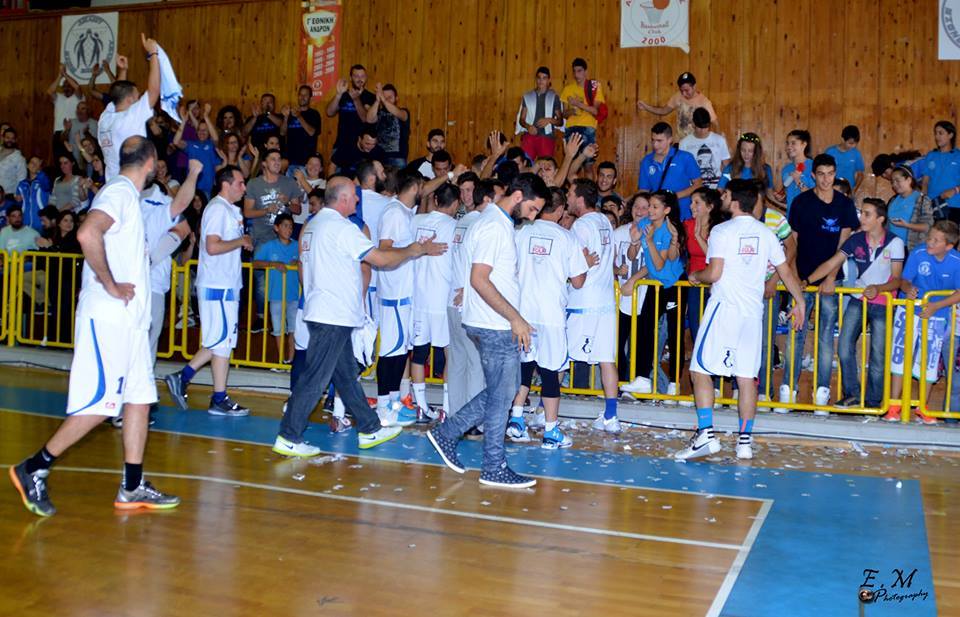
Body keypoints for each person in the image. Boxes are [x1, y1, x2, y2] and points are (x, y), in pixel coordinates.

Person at [8, 136, 180, 517]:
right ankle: (35, 466)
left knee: (139, 398)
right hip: (109, 316)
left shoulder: (128, 197)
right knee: (103, 404)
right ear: (151, 161)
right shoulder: (118, 192)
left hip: (131, 322)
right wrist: (110, 284)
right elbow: (87, 233)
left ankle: (132, 485)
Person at [273, 177, 447, 456]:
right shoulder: (341, 227)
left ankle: (369, 428)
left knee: (346, 376)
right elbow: (380, 258)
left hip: (326, 311)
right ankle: (289, 435)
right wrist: (417, 249)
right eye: (354, 195)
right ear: (342, 199)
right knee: (316, 378)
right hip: (332, 315)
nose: (357, 199)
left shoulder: (313, 224)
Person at [426, 173, 549, 488]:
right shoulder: (494, 226)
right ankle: (492, 465)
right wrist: (515, 318)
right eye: (533, 209)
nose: (532, 217)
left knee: (503, 391)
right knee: (501, 395)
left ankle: (447, 433)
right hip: (493, 323)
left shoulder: (494, 222)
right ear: (518, 197)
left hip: (490, 320)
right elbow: (479, 279)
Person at [675, 179, 805, 461]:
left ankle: (706, 435)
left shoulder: (722, 230)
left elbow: (714, 273)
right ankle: (744, 443)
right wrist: (801, 302)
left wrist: (696, 276)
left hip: (724, 310)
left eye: (725, 194)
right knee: (746, 378)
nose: (721, 197)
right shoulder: (766, 233)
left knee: (699, 370)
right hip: (752, 315)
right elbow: (785, 271)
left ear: (734, 201)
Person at [164, 165, 252, 416]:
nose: (244, 187)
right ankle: (206, 390)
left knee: (221, 342)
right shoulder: (216, 209)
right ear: (226, 184)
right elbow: (212, 247)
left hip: (227, 284)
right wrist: (241, 241)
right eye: (240, 183)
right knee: (220, 342)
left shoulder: (231, 210)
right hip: (217, 285)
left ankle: (198, 386)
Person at [776, 154, 859, 413]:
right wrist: (793, 279)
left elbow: (844, 245)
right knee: (795, 334)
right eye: (821, 174)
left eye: (830, 174)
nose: (826, 179)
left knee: (825, 337)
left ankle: (822, 394)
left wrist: (831, 278)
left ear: (835, 174)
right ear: (813, 175)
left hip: (831, 281)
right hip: (801, 279)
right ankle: (788, 391)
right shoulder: (801, 202)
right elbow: (792, 243)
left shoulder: (844, 204)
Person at [804, 198, 903, 409]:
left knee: (878, 354)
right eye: (862, 213)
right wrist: (807, 280)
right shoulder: (855, 239)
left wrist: (879, 289)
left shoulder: (895, 242)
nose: (861, 218)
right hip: (858, 299)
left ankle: (874, 402)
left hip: (883, 302)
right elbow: (832, 263)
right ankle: (852, 394)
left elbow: (897, 280)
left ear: (880, 219)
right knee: (844, 347)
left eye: (867, 214)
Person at [510, 187, 589, 448]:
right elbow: (578, 282)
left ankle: (516, 420)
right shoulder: (566, 237)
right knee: (550, 371)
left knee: (524, 366)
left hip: (522, 312)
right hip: (551, 313)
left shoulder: (521, 232)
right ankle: (551, 431)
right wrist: (585, 264)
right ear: (560, 210)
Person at [884, 221, 960, 424]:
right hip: (908, 311)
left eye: (936, 240)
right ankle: (893, 406)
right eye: (929, 237)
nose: (929, 242)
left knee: (929, 362)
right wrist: (908, 289)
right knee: (900, 355)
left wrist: (937, 305)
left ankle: (922, 407)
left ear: (949, 246)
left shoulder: (957, 262)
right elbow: (904, 280)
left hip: (937, 315)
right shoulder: (918, 253)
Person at [564, 178, 620, 431]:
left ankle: (544, 411)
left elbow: (577, 273)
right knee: (606, 359)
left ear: (579, 198)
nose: (567, 198)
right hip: (606, 302)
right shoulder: (605, 222)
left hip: (583, 301)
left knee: (560, 356)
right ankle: (611, 416)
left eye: (570, 193)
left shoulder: (580, 226)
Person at [623, 190, 686, 398]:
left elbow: (659, 264)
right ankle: (642, 378)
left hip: (674, 284)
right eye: (649, 205)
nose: (649, 210)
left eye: (654, 207)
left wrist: (649, 241)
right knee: (644, 327)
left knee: (675, 332)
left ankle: (675, 384)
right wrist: (634, 242)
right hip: (655, 282)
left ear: (666, 210)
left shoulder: (669, 230)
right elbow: (632, 255)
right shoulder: (644, 224)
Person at [446, 178, 500, 418]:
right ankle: (472, 421)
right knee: (476, 362)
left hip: (453, 299)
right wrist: (468, 290)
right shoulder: (482, 224)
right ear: (488, 199)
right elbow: (479, 267)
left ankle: (456, 416)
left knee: (458, 361)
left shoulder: (462, 222)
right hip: (469, 300)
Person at [374, 170, 423, 426]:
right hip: (393, 294)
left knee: (400, 352)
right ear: (414, 187)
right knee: (389, 353)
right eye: (422, 187)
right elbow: (384, 249)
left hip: (404, 293)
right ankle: (383, 405)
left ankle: (393, 402)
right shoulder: (394, 213)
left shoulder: (406, 212)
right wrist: (413, 250)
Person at [409, 183, 459, 420]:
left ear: (436, 200)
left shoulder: (416, 221)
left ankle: (420, 405)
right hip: (442, 300)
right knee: (449, 354)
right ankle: (446, 409)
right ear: (456, 204)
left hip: (418, 299)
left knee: (419, 354)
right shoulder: (455, 226)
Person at [141, 160, 200, 364]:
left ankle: (141, 380)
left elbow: (183, 229)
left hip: (150, 280)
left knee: (147, 335)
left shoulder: (163, 201)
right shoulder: (128, 197)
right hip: (136, 279)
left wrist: (151, 260)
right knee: (141, 336)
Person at [98, 34, 161, 181]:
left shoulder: (105, 118)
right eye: (137, 97)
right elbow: (154, 91)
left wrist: (123, 70)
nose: (139, 99)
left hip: (111, 184)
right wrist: (153, 54)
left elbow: (118, 93)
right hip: (129, 184)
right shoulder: (131, 116)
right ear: (130, 100)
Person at [615, 192, 651, 388]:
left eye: (645, 207)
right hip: (620, 295)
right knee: (618, 341)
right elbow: (609, 263)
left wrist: (633, 280)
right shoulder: (619, 232)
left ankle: (638, 382)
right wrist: (616, 271)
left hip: (645, 295)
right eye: (636, 206)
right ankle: (619, 382)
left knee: (641, 342)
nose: (639, 210)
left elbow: (655, 264)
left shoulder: (655, 232)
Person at [252, 213, 299, 364]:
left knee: (293, 329)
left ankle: (291, 360)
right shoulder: (269, 246)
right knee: (278, 329)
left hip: (293, 294)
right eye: (285, 226)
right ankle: (280, 360)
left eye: (291, 226)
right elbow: (255, 263)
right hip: (276, 294)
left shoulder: (297, 246)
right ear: (276, 228)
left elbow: (307, 261)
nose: (289, 229)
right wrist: (273, 264)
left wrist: (298, 263)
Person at [637, 122, 702, 220]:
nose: (655, 145)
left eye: (659, 141)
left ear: (670, 140)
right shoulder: (647, 161)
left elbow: (698, 184)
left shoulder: (685, 157)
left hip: (683, 213)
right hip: (658, 216)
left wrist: (674, 197)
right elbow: (644, 190)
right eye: (653, 140)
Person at [637, 72, 718, 138]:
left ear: (694, 86)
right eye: (681, 91)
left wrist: (719, 143)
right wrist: (646, 107)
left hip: (697, 143)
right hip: (680, 142)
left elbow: (715, 124)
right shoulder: (677, 96)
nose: (684, 94)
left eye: (687, 90)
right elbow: (663, 110)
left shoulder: (704, 102)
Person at [912, 120, 960, 225]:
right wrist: (923, 201)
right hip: (934, 204)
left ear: (950, 135)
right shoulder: (931, 155)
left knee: (952, 234)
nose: (937, 136)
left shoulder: (958, 156)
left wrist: (955, 190)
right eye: (935, 133)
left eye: (940, 133)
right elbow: (925, 182)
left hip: (954, 204)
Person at [172, 103, 220, 197]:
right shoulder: (191, 144)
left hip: (208, 189)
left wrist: (206, 116)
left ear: (209, 132)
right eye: (199, 130)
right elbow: (176, 142)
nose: (202, 132)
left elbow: (216, 138)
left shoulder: (211, 144)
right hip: (192, 188)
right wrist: (184, 121)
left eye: (205, 130)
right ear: (196, 132)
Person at [326, 64, 376, 153]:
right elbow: (329, 112)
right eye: (356, 76)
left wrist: (356, 100)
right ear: (350, 78)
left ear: (366, 78)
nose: (360, 79)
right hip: (341, 145)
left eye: (362, 76)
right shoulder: (344, 94)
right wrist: (338, 94)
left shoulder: (371, 97)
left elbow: (366, 119)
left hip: (361, 148)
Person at [517, 66, 563, 161]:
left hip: (546, 137)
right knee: (525, 164)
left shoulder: (554, 97)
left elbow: (560, 121)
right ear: (536, 79)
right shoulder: (527, 96)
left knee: (545, 166)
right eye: (539, 78)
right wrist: (528, 127)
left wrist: (549, 120)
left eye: (544, 78)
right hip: (529, 136)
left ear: (549, 80)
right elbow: (521, 119)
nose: (541, 81)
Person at [560, 58, 604, 158]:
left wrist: (578, 104)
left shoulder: (594, 87)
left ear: (586, 72)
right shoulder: (568, 89)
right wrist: (572, 111)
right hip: (571, 128)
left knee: (587, 163)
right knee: (569, 162)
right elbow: (564, 114)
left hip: (588, 127)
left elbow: (595, 111)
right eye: (574, 71)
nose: (576, 74)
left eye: (579, 71)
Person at [718, 132, 777, 203]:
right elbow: (719, 192)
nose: (746, 154)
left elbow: (770, 195)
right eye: (743, 150)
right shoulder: (730, 168)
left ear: (756, 152)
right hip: (736, 209)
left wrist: (784, 205)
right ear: (739, 150)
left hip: (757, 209)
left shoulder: (765, 169)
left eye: (750, 151)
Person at [679, 108, 730, 189]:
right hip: (694, 190)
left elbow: (727, 166)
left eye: (705, 127)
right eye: (700, 127)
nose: (703, 131)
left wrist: (722, 187)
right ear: (693, 124)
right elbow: (682, 169)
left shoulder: (720, 140)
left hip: (716, 190)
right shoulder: (684, 143)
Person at [887, 165, 935, 252]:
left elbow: (927, 227)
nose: (894, 184)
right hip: (891, 246)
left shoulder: (922, 199)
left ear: (909, 180)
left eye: (897, 180)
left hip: (911, 248)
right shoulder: (892, 200)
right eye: (892, 182)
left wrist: (907, 225)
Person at [366, 83, 410, 168]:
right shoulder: (378, 112)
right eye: (385, 97)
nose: (387, 100)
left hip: (397, 158)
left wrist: (383, 99)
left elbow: (398, 113)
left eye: (390, 97)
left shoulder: (403, 111)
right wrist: (377, 101)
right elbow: (369, 119)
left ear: (397, 98)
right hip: (379, 158)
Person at [281, 85, 322, 173]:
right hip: (289, 160)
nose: (302, 97)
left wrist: (299, 117)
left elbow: (311, 132)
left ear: (310, 98)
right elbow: (282, 133)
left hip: (306, 162)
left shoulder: (314, 114)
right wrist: (285, 118)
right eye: (300, 94)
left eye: (305, 95)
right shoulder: (290, 113)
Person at [776, 129, 814, 216]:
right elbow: (789, 195)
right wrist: (782, 198)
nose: (789, 147)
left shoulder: (814, 167)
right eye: (787, 143)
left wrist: (798, 181)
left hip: (809, 217)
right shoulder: (786, 169)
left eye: (793, 143)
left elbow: (815, 196)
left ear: (804, 144)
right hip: (791, 217)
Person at [825, 125, 866, 192]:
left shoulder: (856, 154)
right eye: (850, 143)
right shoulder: (830, 152)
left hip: (848, 191)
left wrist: (854, 190)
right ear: (843, 139)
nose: (853, 146)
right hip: (831, 190)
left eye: (855, 143)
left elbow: (860, 174)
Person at [0, 126, 27, 198]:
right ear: (3, 138)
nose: (10, 140)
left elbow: (22, 179)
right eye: (7, 138)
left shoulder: (19, 158)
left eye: (12, 138)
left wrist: (18, 194)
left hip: (8, 196)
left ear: (15, 140)